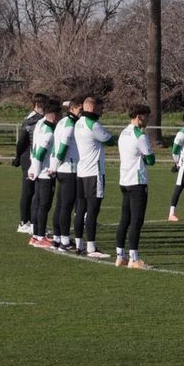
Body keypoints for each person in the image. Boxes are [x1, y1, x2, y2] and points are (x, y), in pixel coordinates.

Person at [114, 105, 156, 269]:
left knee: (124, 219)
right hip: (137, 182)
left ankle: (120, 256)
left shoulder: (124, 132)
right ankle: (134, 258)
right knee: (136, 221)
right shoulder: (140, 135)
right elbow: (151, 160)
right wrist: (146, 159)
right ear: (139, 116)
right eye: (146, 117)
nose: (148, 120)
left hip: (124, 180)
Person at [74, 96, 117, 259]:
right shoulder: (93, 124)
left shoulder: (78, 123)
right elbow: (109, 140)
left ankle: (79, 244)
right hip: (94, 173)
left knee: (80, 210)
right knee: (92, 210)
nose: (102, 111)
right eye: (100, 108)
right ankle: (91, 247)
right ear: (92, 109)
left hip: (81, 171)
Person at [25, 99, 61, 248]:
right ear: (53, 115)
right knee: (44, 205)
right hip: (45, 172)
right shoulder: (48, 133)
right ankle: (40, 237)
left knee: (38, 203)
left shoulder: (40, 124)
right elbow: (39, 153)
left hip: (38, 170)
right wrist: (35, 170)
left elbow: (34, 149)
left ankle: (35, 235)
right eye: (59, 113)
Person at [51, 96, 83, 251]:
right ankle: (64, 240)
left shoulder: (62, 122)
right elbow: (62, 147)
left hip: (62, 170)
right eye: (80, 109)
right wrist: (55, 165)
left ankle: (57, 238)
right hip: (69, 170)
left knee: (60, 205)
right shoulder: (70, 124)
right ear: (73, 108)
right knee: (67, 206)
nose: (81, 112)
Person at [13, 94, 47, 233]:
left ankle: (33, 222)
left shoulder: (34, 118)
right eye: (45, 105)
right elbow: (22, 141)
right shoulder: (31, 120)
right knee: (28, 190)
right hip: (28, 157)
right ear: (38, 105)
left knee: (34, 190)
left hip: (32, 156)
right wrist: (18, 156)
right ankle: (24, 222)